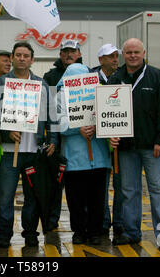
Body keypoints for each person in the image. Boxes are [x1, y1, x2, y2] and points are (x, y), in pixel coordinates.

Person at [108, 38, 160, 251]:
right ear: (123, 54)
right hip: (126, 148)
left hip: (152, 147)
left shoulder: (157, 77)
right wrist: (110, 135)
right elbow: (106, 112)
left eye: (136, 52)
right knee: (129, 191)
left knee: (158, 189)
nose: (133, 56)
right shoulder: (115, 79)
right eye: (128, 52)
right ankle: (131, 232)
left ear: (144, 52)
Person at [0, 42, 58, 248]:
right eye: (18, 55)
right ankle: (3, 235)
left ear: (32, 59)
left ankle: (30, 233)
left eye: (26, 55)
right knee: (5, 197)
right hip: (8, 152)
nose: (22, 58)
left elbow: (51, 115)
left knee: (33, 198)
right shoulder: (1, 82)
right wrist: (5, 130)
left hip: (34, 152)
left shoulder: (42, 84)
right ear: (12, 57)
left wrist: (53, 139)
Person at [56, 62, 112, 245]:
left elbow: (110, 116)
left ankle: (95, 230)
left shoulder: (99, 93)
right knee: (76, 199)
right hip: (75, 159)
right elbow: (59, 123)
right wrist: (77, 127)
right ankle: (79, 231)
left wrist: (98, 126)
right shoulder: (60, 97)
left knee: (97, 199)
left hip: (98, 158)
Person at [41, 39, 82, 232]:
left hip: (80, 141)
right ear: (60, 55)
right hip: (56, 140)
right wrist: (51, 139)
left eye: (72, 51)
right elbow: (47, 110)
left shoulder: (87, 75)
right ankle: (51, 220)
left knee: (79, 187)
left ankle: (86, 224)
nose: (69, 55)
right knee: (55, 184)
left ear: (79, 54)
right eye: (65, 51)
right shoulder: (50, 77)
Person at [91, 44, 124, 239]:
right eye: (110, 56)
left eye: (115, 56)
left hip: (119, 144)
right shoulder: (91, 80)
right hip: (99, 145)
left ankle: (119, 223)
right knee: (101, 187)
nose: (115, 59)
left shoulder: (123, 78)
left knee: (121, 185)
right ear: (100, 60)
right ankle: (104, 222)